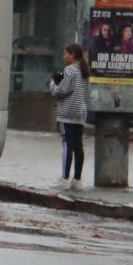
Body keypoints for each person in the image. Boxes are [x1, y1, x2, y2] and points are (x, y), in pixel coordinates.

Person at [49, 43, 91, 187]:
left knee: (67, 144)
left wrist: (53, 83)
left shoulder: (70, 70)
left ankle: (64, 179)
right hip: (80, 112)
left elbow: (61, 91)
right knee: (78, 146)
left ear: (72, 54)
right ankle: (77, 180)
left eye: (65, 54)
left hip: (67, 112)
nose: (64, 56)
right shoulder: (84, 71)